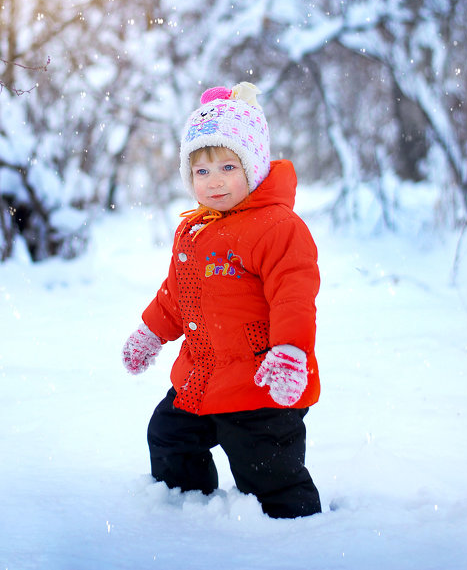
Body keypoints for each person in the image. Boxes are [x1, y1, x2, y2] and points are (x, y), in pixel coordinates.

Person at [122, 82, 322, 518]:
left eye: (228, 167)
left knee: (266, 469)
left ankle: (297, 534)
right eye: (202, 171)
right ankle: (188, 509)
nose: (214, 182)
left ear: (254, 167)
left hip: (260, 386)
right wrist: (150, 333)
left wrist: (290, 351)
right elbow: (178, 294)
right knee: (169, 436)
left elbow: (295, 293)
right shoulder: (193, 230)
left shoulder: (276, 227)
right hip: (202, 378)